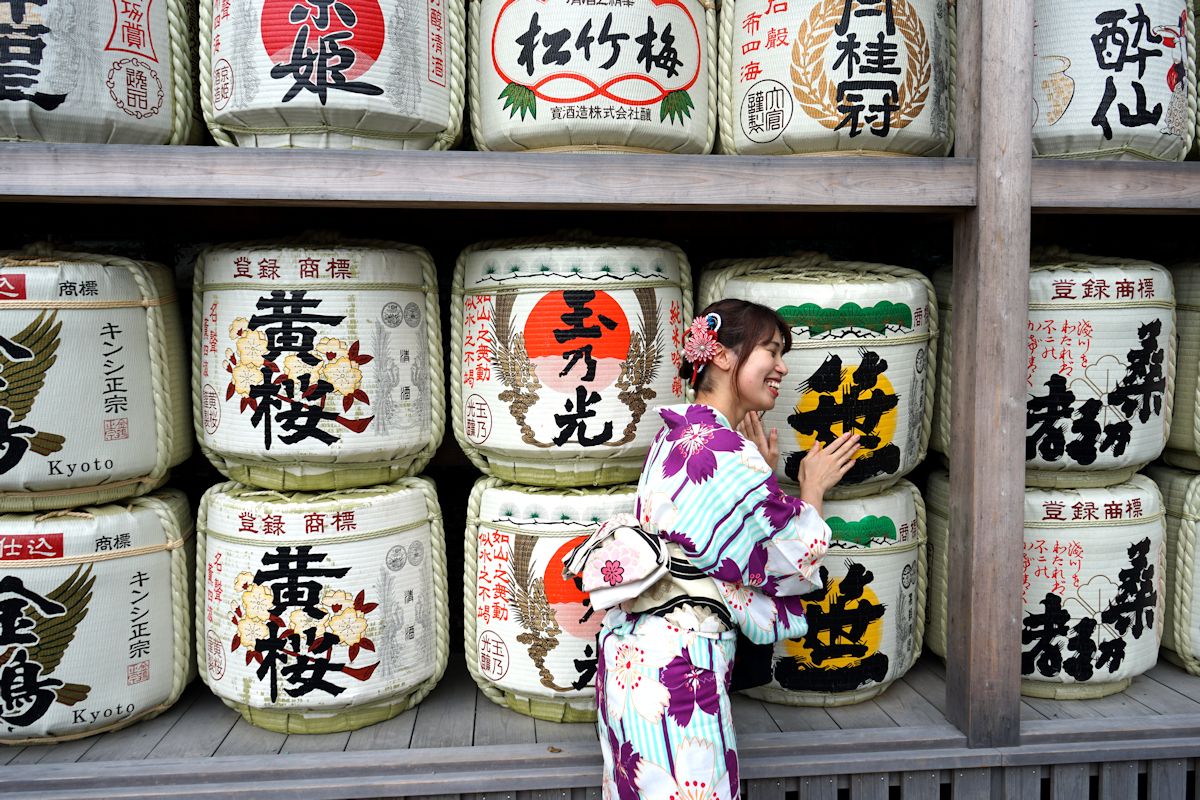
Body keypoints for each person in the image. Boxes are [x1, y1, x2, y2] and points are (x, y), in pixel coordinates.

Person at [570, 298, 860, 800]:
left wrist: (761, 481)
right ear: (724, 356)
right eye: (770, 350)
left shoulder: (680, 435)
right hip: (677, 668)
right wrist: (809, 491)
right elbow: (792, 556)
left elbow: (717, 537)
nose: (783, 367)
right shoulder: (722, 452)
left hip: (634, 658)